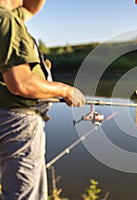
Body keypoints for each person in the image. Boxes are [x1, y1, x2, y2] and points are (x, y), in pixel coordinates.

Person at [0, 0, 86, 199]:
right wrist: (65, 90)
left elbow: (30, 8)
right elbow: (21, 83)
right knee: (24, 194)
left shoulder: (8, 17)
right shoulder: (6, 21)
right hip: (17, 123)